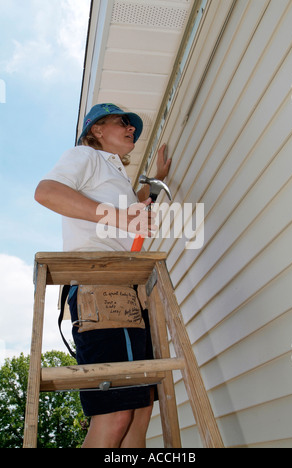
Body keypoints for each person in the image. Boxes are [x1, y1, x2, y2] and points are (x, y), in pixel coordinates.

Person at [34, 103, 171, 448]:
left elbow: (133, 207)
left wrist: (157, 183)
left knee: (139, 413)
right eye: (123, 123)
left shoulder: (116, 176)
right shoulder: (85, 156)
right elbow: (46, 192)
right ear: (96, 130)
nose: (132, 130)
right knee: (115, 415)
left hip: (128, 289)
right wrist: (119, 217)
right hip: (101, 287)